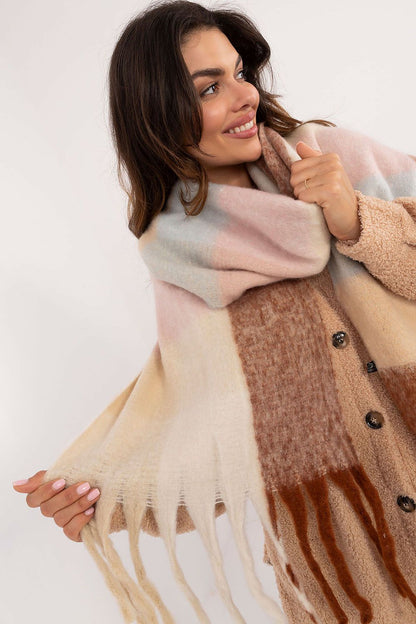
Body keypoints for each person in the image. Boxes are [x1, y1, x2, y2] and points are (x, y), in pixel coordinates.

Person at [12, 1, 416, 623]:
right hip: (355, 579)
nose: (245, 95)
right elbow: (210, 429)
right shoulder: (181, 255)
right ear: (157, 117)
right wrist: (100, 497)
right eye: (209, 88)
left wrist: (357, 219)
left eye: (239, 73)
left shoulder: (338, 161)